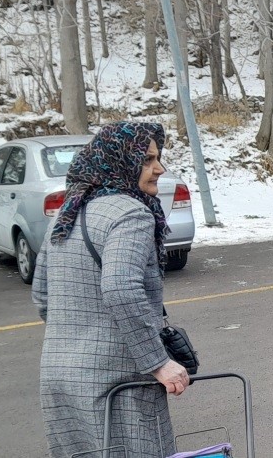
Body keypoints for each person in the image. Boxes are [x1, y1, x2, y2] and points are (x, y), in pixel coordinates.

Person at [32, 122, 189, 458]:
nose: (159, 168)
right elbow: (120, 289)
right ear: (118, 161)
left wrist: (77, 338)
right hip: (118, 382)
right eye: (147, 160)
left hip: (59, 375)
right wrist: (159, 362)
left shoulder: (67, 212)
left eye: (158, 158)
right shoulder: (132, 214)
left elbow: (42, 296)